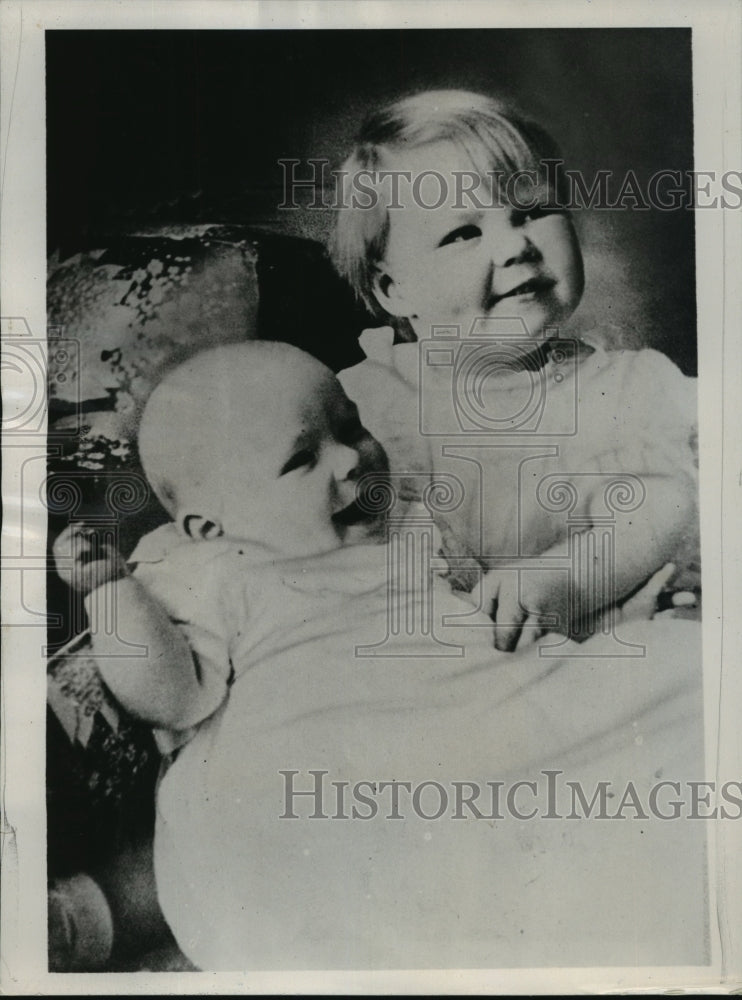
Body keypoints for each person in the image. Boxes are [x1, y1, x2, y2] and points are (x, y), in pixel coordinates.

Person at [53, 341, 704, 971]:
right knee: (271, 844)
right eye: (301, 461)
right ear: (209, 524)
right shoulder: (215, 569)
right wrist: (113, 595)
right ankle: (83, 918)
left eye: (351, 424)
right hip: (317, 754)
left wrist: (562, 628)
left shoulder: (411, 526)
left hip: (471, 711)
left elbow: (487, 619)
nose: (351, 459)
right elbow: (169, 694)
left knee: (672, 677)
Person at [332, 89, 699, 650]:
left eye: (532, 210)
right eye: (463, 232)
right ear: (393, 288)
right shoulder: (366, 405)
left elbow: (664, 505)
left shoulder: (627, 389)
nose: (516, 245)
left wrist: (568, 578)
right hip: (422, 667)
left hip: (592, 657)